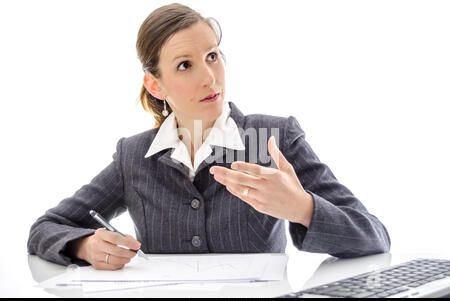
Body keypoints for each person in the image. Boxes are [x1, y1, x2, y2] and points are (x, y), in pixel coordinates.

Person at [27, 3, 390, 271]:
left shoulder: (274, 137)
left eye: (212, 56)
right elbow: (46, 227)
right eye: (185, 65)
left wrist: (302, 208)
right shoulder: (134, 156)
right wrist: (84, 246)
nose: (210, 78)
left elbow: (374, 236)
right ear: (156, 85)